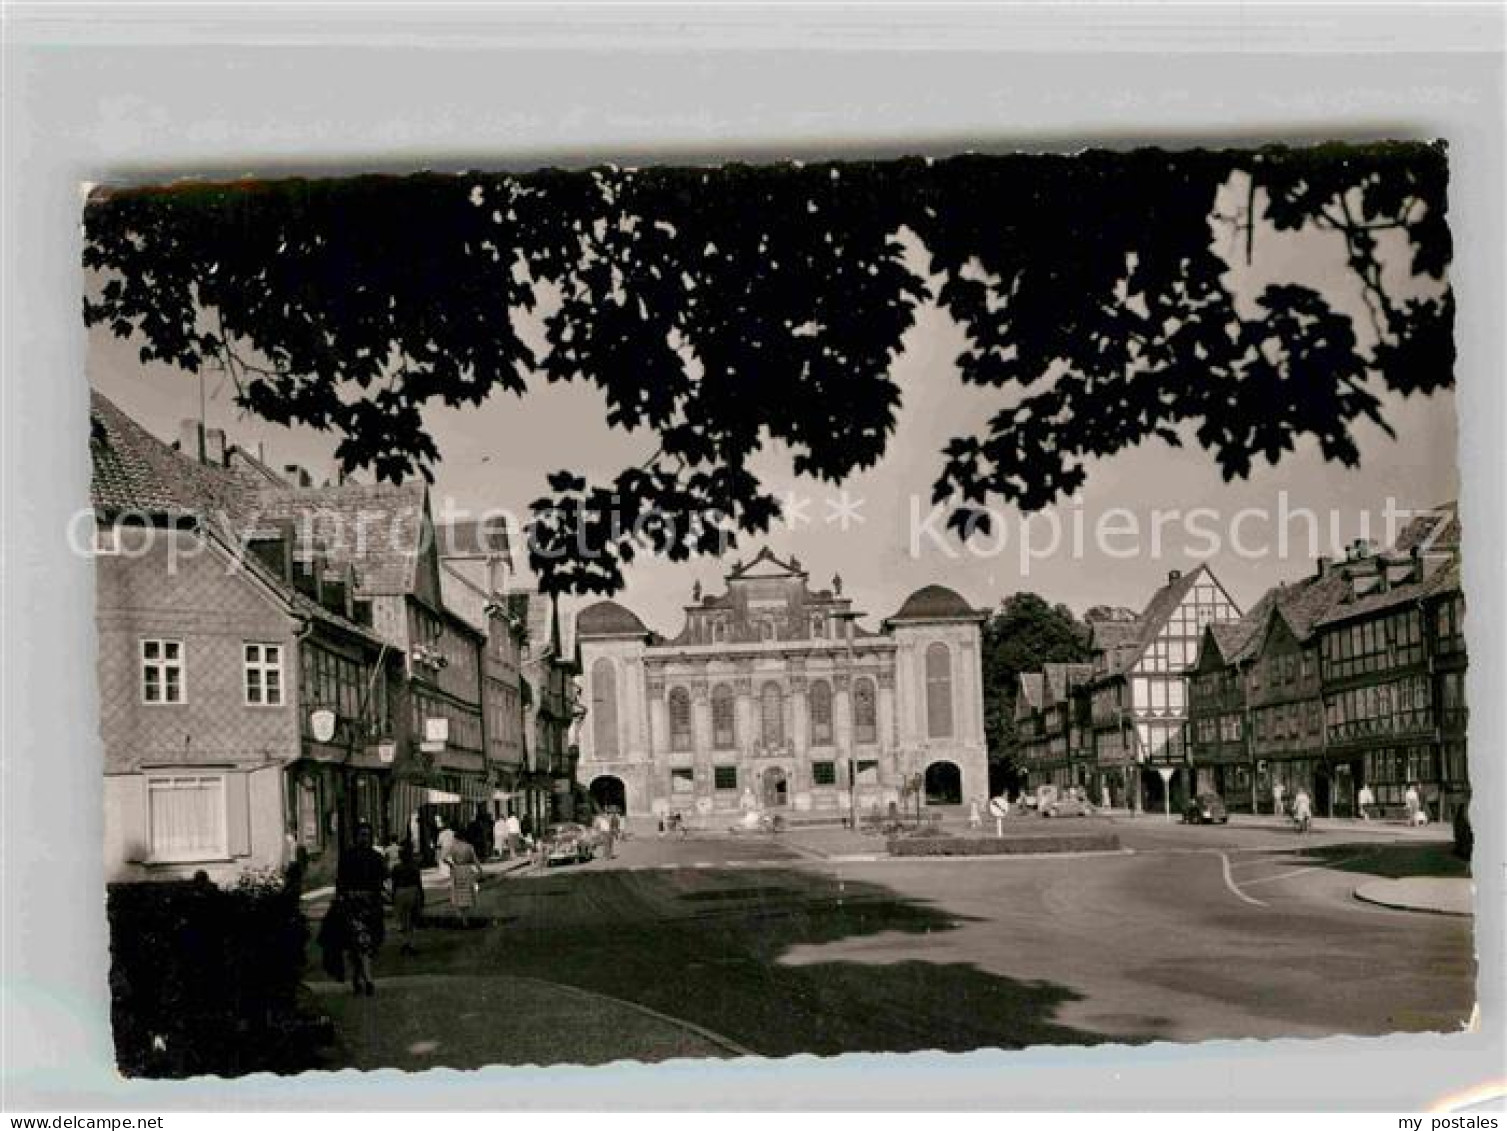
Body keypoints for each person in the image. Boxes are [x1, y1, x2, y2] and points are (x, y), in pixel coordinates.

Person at [332, 821, 387, 995]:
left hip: (371, 905)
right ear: (356, 837)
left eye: (367, 835)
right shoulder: (348, 857)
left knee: (367, 943)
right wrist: (342, 897)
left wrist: (380, 895)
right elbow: (340, 881)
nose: (365, 839)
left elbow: (382, 880)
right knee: (358, 943)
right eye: (361, 835)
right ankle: (367, 979)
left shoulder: (376, 858)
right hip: (353, 905)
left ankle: (359, 977)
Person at [390, 843, 425, 955]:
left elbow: (394, 884)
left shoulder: (396, 868)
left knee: (402, 919)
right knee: (412, 920)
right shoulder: (414, 867)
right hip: (412, 891)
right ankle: (411, 944)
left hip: (400, 892)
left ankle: (405, 943)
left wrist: (393, 897)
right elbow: (418, 884)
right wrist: (422, 897)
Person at [446, 835, 481, 927]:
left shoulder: (453, 847)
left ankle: (461, 916)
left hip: (456, 869)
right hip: (466, 869)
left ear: (457, 838)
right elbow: (475, 859)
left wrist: (451, 865)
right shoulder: (469, 846)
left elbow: (445, 858)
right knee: (467, 892)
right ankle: (464, 917)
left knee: (457, 892)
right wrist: (480, 869)